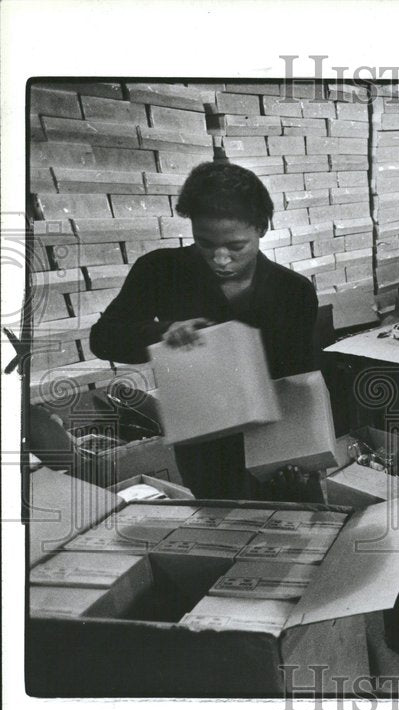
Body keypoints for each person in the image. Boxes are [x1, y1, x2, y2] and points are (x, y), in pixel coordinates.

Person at [90, 161, 320, 499]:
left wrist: (307, 448)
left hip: (276, 436)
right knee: (219, 523)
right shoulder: (160, 271)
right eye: (205, 243)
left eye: (236, 246)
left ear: (262, 228)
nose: (220, 258)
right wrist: (162, 332)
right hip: (203, 441)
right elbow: (104, 338)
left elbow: (300, 377)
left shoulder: (293, 291)